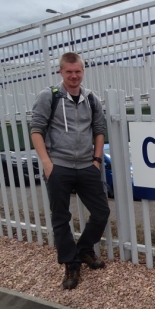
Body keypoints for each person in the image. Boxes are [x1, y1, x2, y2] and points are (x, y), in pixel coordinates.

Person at [30, 52, 110, 290]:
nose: (74, 76)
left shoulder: (91, 99)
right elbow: (36, 130)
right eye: (69, 72)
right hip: (59, 167)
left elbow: (99, 130)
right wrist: (47, 163)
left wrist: (96, 161)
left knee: (101, 212)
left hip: (87, 165)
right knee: (60, 217)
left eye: (77, 71)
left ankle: (84, 250)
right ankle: (70, 264)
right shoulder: (49, 97)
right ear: (61, 72)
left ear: (82, 72)